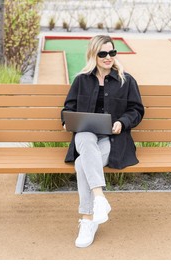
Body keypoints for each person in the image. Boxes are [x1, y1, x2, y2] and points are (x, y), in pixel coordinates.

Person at [61, 35, 145, 248]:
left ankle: (88, 218)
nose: (109, 57)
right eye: (103, 53)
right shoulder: (82, 80)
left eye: (112, 52)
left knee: (82, 164)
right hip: (85, 136)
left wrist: (122, 122)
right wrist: (66, 121)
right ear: (93, 55)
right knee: (84, 137)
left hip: (113, 140)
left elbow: (136, 110)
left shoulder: (126, 80)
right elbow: (68, 109)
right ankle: (99, 199)